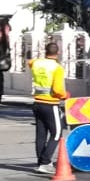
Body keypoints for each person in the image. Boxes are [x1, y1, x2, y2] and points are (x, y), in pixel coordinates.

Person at [28, 40, 68, 172]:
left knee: (41, 135)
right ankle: (45, 162)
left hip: (37, 103)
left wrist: (42, 59)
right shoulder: (57, 68)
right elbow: (57, 90)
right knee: (57, 133)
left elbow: (30, 62)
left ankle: (41, 163)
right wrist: (65, 95)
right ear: (58, 53)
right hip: (50, 104)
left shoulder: (36, 63)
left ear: (45, 52)